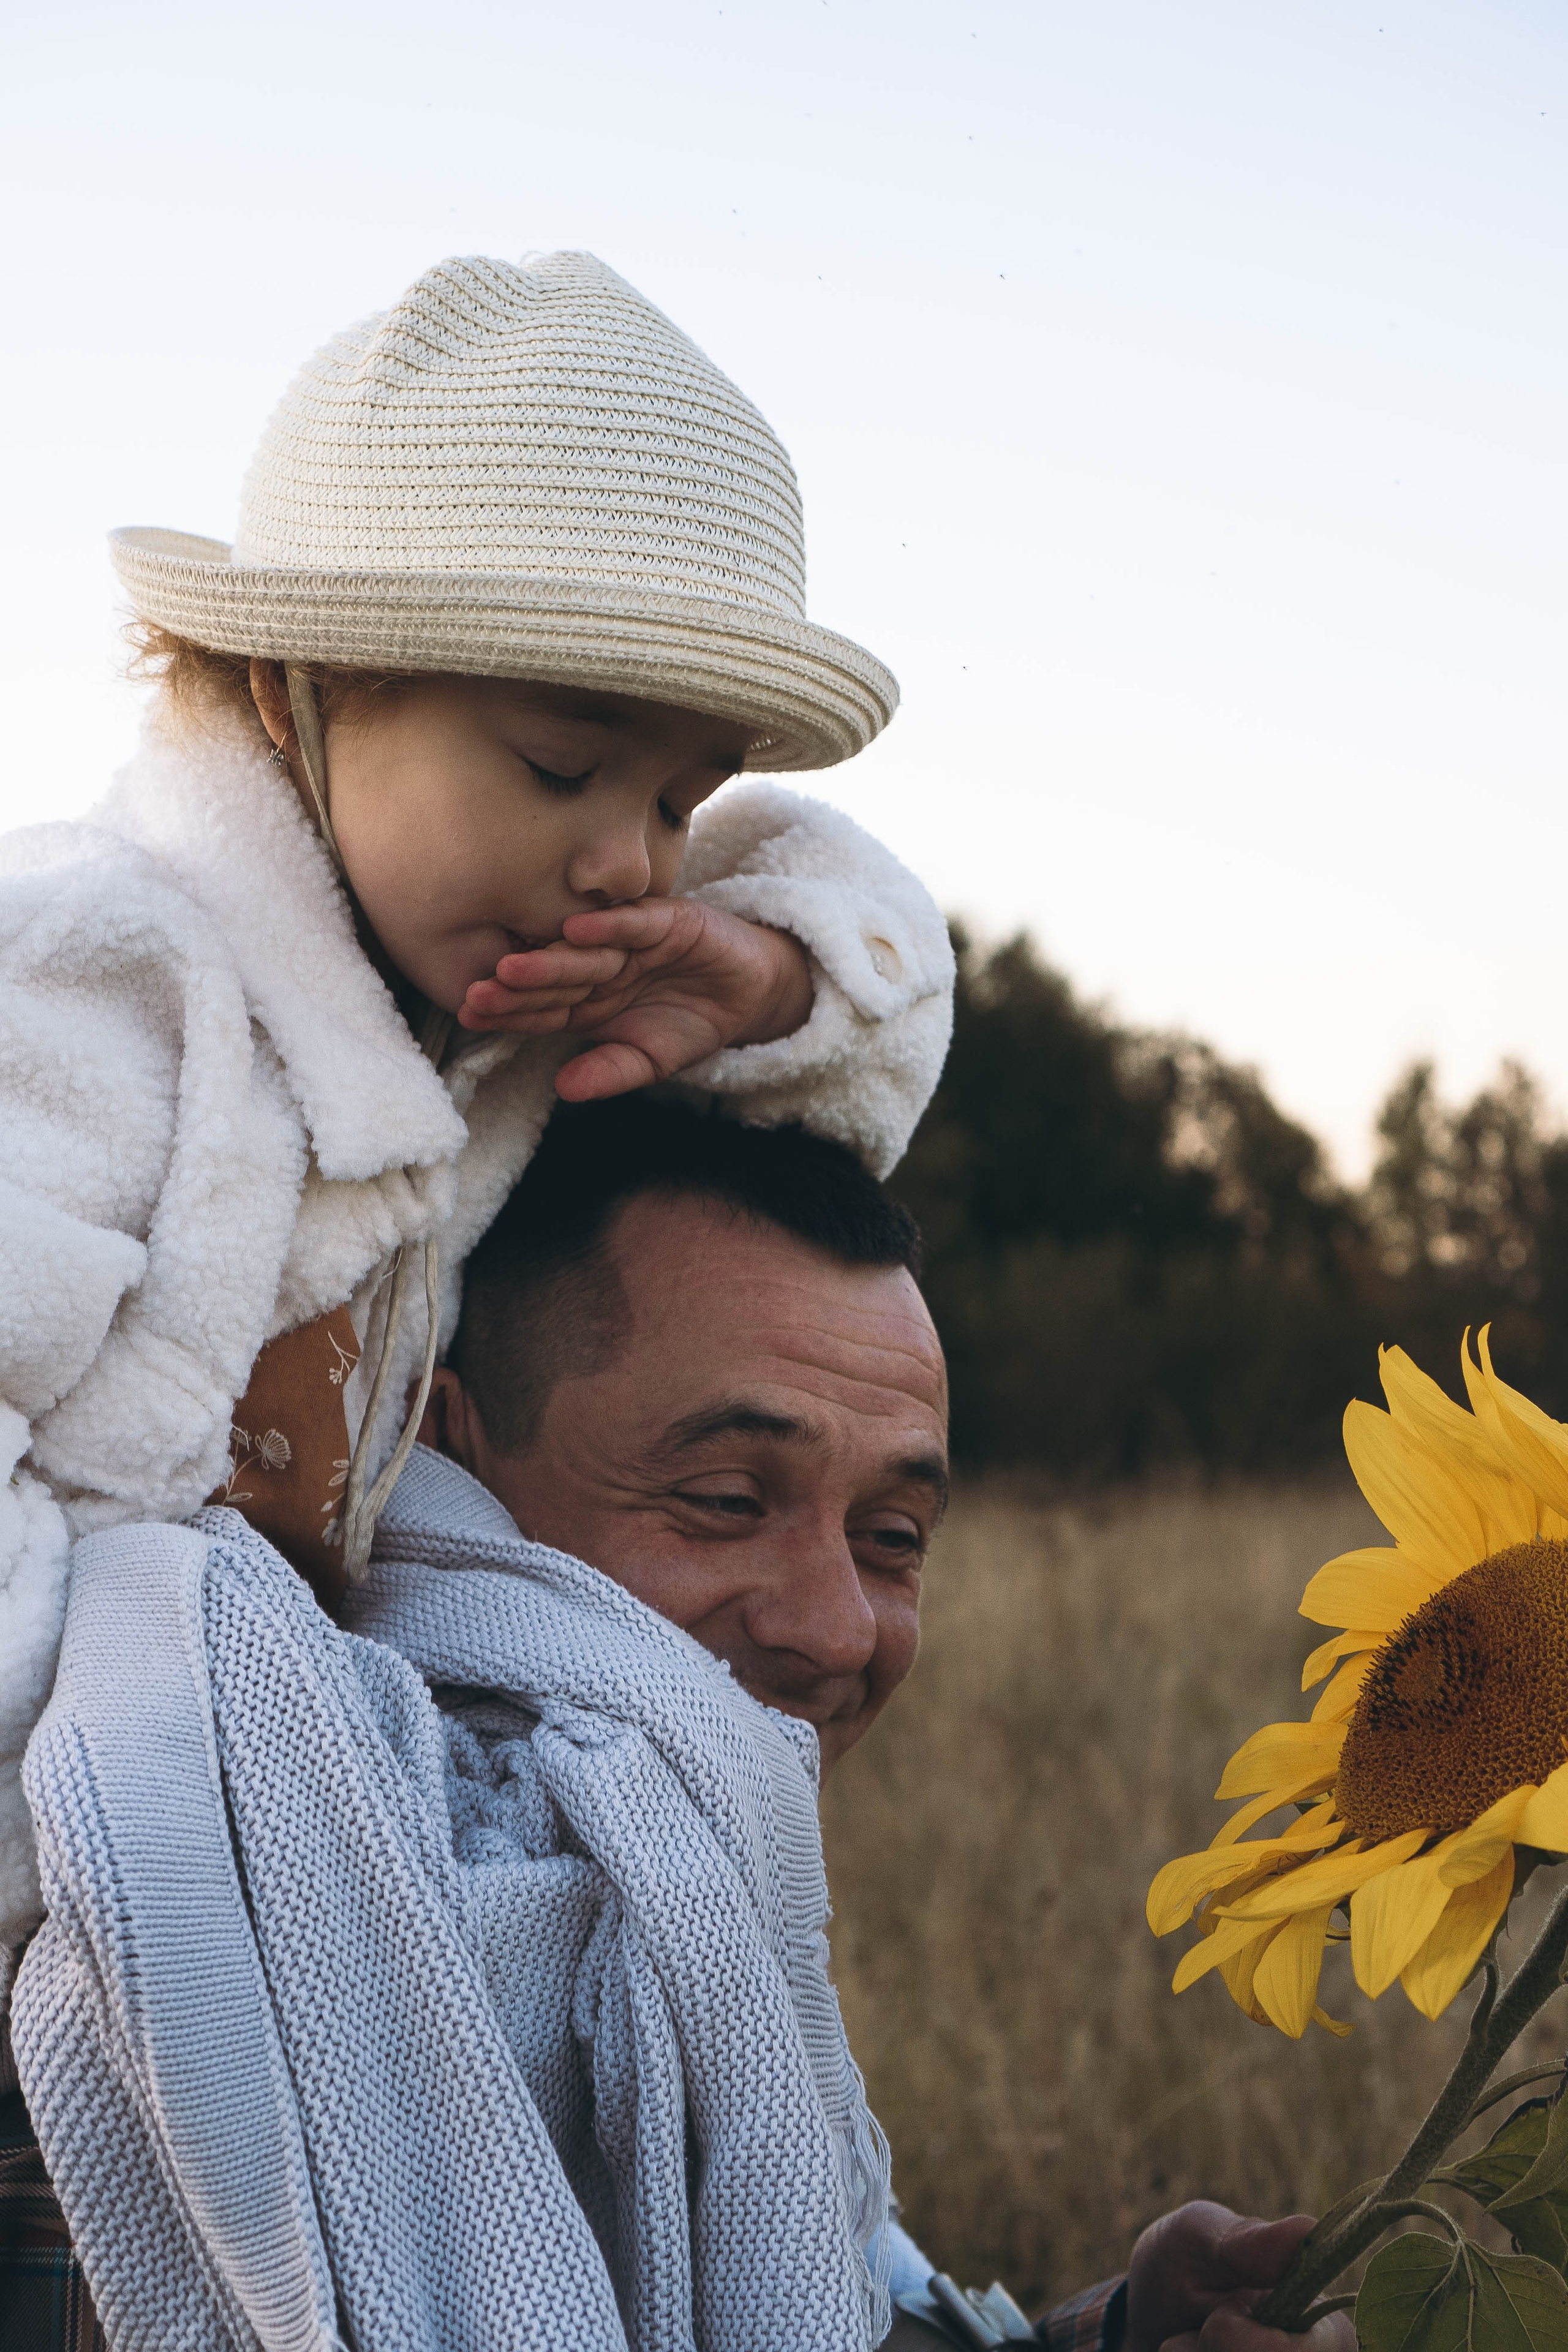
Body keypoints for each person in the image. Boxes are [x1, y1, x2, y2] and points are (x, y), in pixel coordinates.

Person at [0, 246, 956, 1997]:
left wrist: (763, 980)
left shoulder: (492, 1035)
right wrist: (81, 1811)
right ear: (308, 689)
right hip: (68, 1872)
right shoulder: (102, 982)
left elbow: (863, 1068)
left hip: (229, 1925)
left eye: (680, 797)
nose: (628, 859)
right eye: (557, 766)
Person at [394, 1099, 1360, 2352]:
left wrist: (1107, 2339)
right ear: (438, 1474)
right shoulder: (224, 1985)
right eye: (726, 1499)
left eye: (890, 1539)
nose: (837, 1632)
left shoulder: (721, 1974)